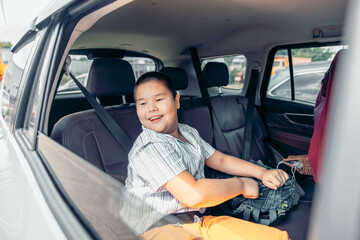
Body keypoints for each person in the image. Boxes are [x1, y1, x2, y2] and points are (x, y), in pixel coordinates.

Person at [121, 72, 289, 239]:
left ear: (176, 101)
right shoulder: (150, 147)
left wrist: (261, 172)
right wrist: (242, 184)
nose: (151, 108)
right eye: (142, 103)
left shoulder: (187, 132)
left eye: (159, 99)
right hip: (158, 229)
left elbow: (220, 159)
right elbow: (193, 195)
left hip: (197, 222)